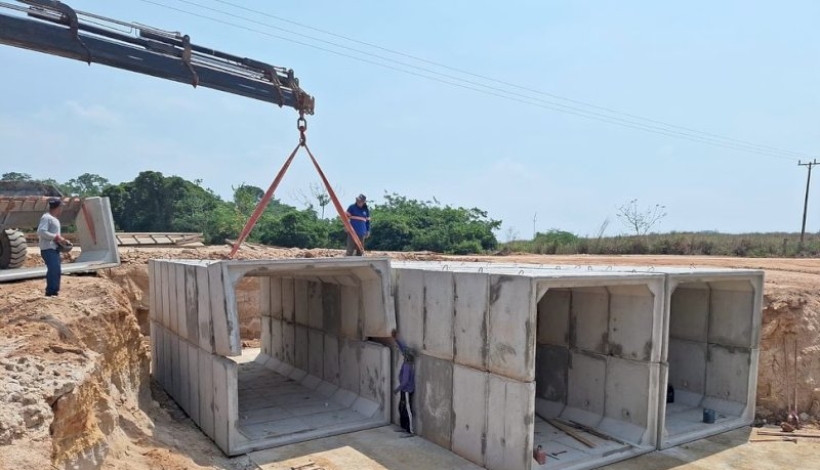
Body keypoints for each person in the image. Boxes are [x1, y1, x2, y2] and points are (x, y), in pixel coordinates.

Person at [37, 197, 68, 297]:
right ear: (57, 207)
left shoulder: (54, 219)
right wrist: (56, 237)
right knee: (54, 269)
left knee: (56, 269)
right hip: (48, 249)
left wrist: (62, 241)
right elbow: (41, 231)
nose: (61, 209)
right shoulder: (47, 218)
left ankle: (54, 291)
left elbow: (54, 236)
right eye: (61, 207)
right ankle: (50, 292)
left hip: (53, 249)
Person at [392, 330, 415, 435]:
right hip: (403, 390)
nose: (403, 354)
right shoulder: (407, 361)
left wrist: (397, 389)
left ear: (407, 357)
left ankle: (410, 430)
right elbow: (403, 348)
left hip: (406, 390)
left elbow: (405, 381)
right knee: (401, 408)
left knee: (407, 409)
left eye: (404, 354)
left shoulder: (407, 366)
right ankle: (403, 427)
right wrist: (396, 339)